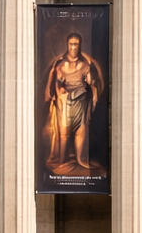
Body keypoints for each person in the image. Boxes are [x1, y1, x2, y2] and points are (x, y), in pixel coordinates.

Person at [43, 30, 105, 175]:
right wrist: (59, 89)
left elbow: (92, 83)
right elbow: (55, 84)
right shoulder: (61, 65)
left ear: (80, 45)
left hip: (81, 102)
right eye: (71, 44)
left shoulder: (84, 65)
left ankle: (80, 159)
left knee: (81, 131)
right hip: (65, 104)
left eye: (76, 44)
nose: (73, 47)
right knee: (63, 132)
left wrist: (91, 83)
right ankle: (61, 160)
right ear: (67, 45)